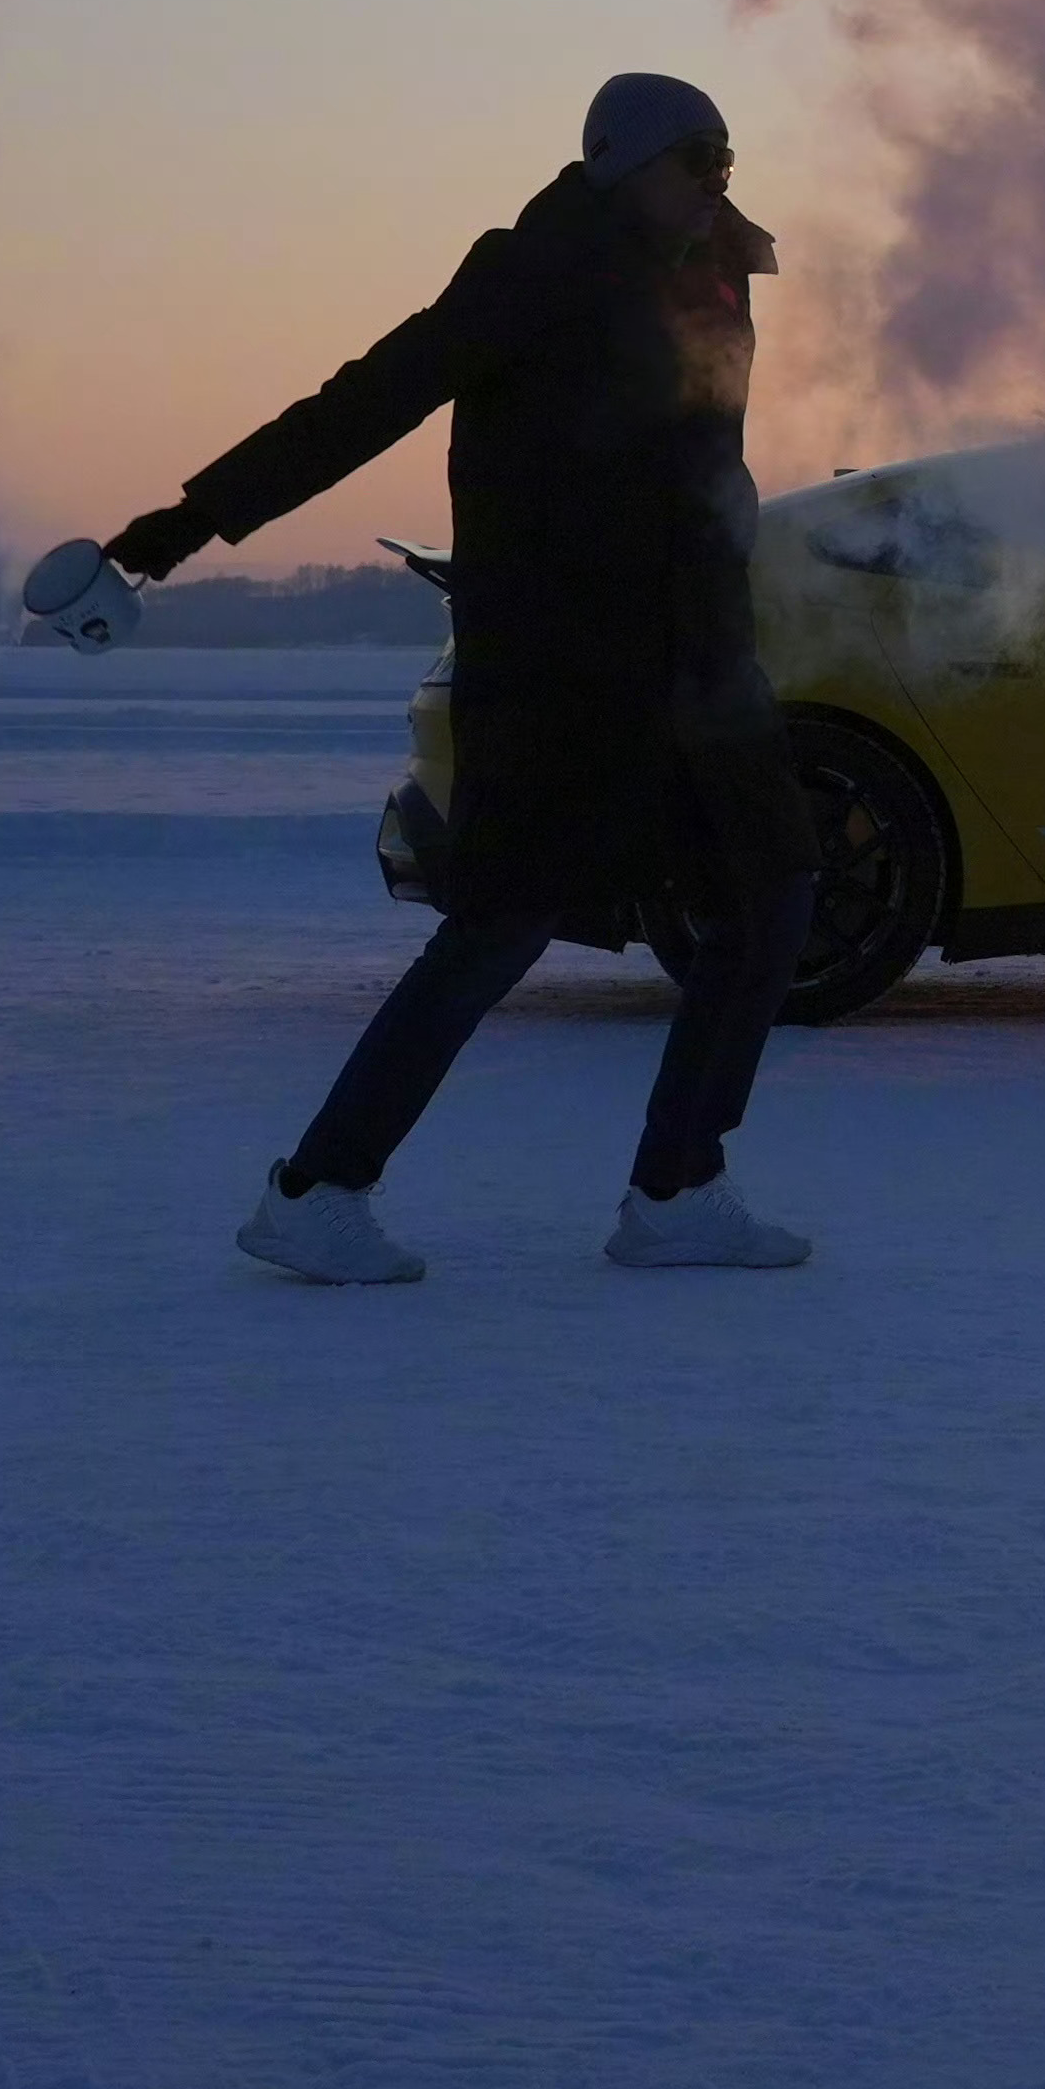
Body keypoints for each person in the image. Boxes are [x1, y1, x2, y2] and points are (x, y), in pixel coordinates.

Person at [94, 71, 821, 1280]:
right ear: (622, 162)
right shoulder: (537, 269)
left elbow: (699, 463)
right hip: (561, 666)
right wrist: (191, 520)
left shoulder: (710, 273)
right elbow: (367, 401)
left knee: (772, 891)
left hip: (699, 659)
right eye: (698, 156)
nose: (719, 177)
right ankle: (317, 1190)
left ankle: (678, 1189)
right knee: (498, 930)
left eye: (728, 156)